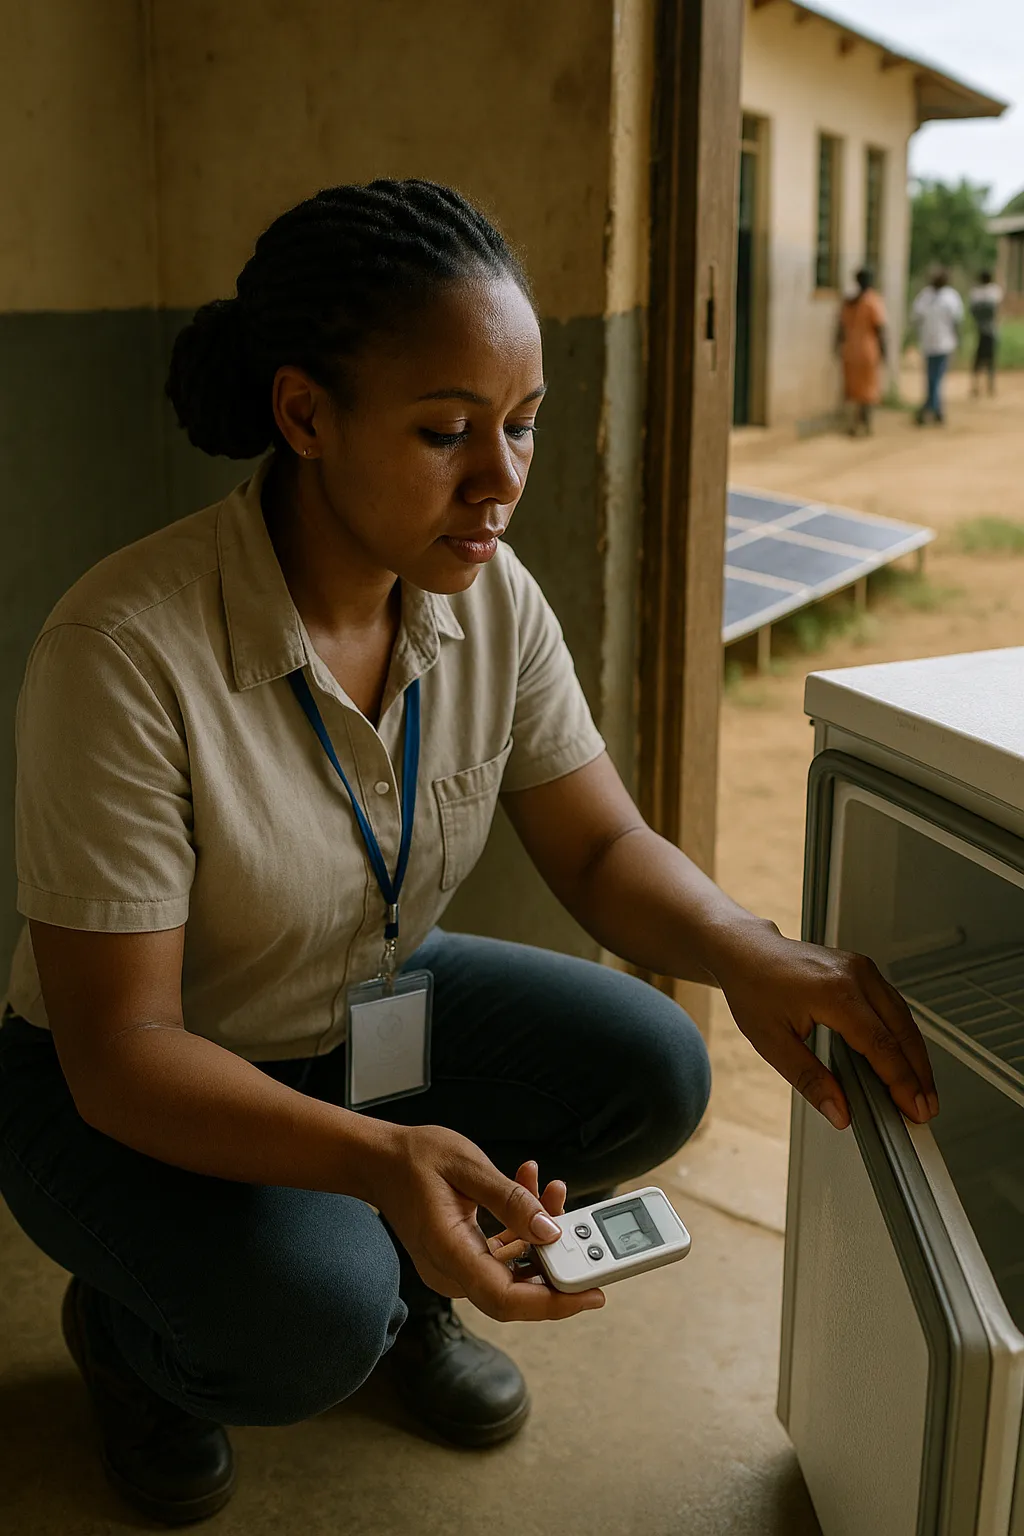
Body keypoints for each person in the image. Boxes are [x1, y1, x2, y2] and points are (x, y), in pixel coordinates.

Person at [0, 179, 939, 1526]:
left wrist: (750, 952)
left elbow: (602, 842)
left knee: (653, 1067)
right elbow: (121, 1050)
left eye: (523, 427)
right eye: (447, 432)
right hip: (132, 1085)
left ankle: (407, 1285)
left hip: (353, 1012)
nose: (500, 480)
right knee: (307, 1318)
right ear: (304, 416)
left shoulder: (488, 593)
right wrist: (386, 1163)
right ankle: (142, 1348)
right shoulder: (127, 652)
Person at [836, 267, 887, 436]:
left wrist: (837, 347)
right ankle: (865, 424)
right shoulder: (873, 301)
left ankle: (851, 424)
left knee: (852, 389)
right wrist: (884, 350)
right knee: (868, 390)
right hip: (867, 351)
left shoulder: (848, 302)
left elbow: (840, 328)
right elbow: (880, 328)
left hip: (850, 350)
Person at [911, 267, 964, 425]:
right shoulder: (949, 297)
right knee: (934, 378)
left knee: (933, 377)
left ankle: (931, 408)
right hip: (938, 344)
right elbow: (957, 321)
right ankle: (934, 409)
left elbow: (915, 318)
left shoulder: (927, 297)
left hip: (938, 344)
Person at [969, 268, 1003, 398]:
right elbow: (997, 309)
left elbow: (973, 311)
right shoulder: (994, 292)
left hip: (979, 329)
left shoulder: (975, 293)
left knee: (978, 359)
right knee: (990, 359)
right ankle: (990, 385)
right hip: (991, 330)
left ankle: (976, 385)